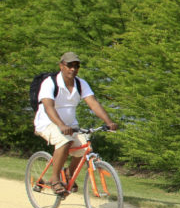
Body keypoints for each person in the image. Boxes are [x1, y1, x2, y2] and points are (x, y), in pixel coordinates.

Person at [33, 52, 118, 196]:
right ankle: (54, 179)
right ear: (61, 66)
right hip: (47, 123)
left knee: (85, 147)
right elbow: (49, 107)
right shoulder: (50, 82)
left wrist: (108, 122)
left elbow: (93, 103)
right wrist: (60, 125)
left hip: (70, 125)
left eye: (76, 66)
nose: (73, 69)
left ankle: (68, 174)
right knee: (64, 141)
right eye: (69, 65)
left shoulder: (80, 83)